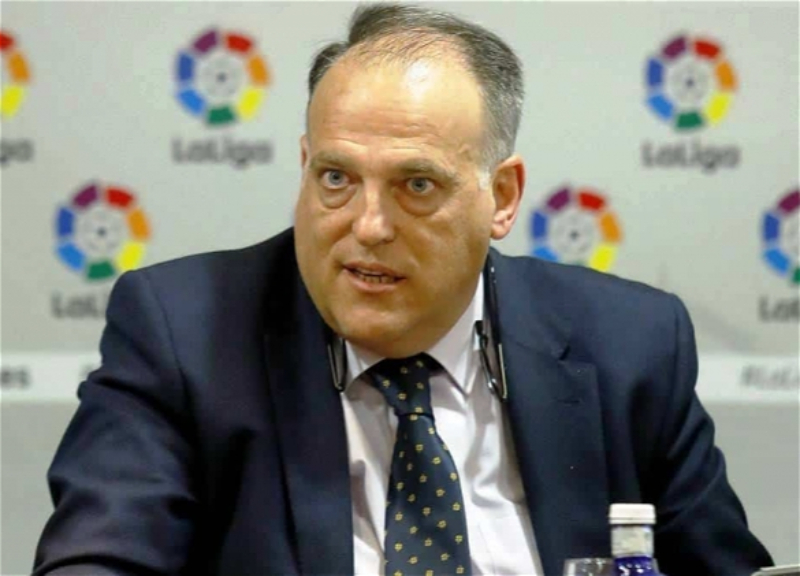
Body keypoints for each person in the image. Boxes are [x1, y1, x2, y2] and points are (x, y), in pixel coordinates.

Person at [33, 4, 773, 576]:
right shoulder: (184, 334)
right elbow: (99, 558)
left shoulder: (630, 345)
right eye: (335, 178)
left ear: (502, 197)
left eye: (416, 185)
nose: (368, 226)